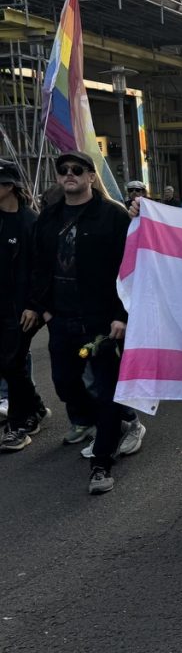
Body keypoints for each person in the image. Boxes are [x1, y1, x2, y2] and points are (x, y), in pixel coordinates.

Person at [24, 151, 143, 493]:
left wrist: (122, 316)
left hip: (101, 320)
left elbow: (131, 267)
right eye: (63, 171)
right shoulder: (48, 218)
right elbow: (38, 266)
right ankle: (115, 421)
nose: (69, 175)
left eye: (77, 170)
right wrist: (42, 308)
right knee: (64, 382)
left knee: (106, 390)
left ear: (91, 176)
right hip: (61, 318)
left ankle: (102, 464)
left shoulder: (112, 216)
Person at [0, 160, 49, 452]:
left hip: (23, 309)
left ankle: (19, 425)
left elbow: (41, 270)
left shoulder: (30, 222)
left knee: (12, 362)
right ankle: (36, 407)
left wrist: (33, 305)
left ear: (9, 187)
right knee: (7, 363)